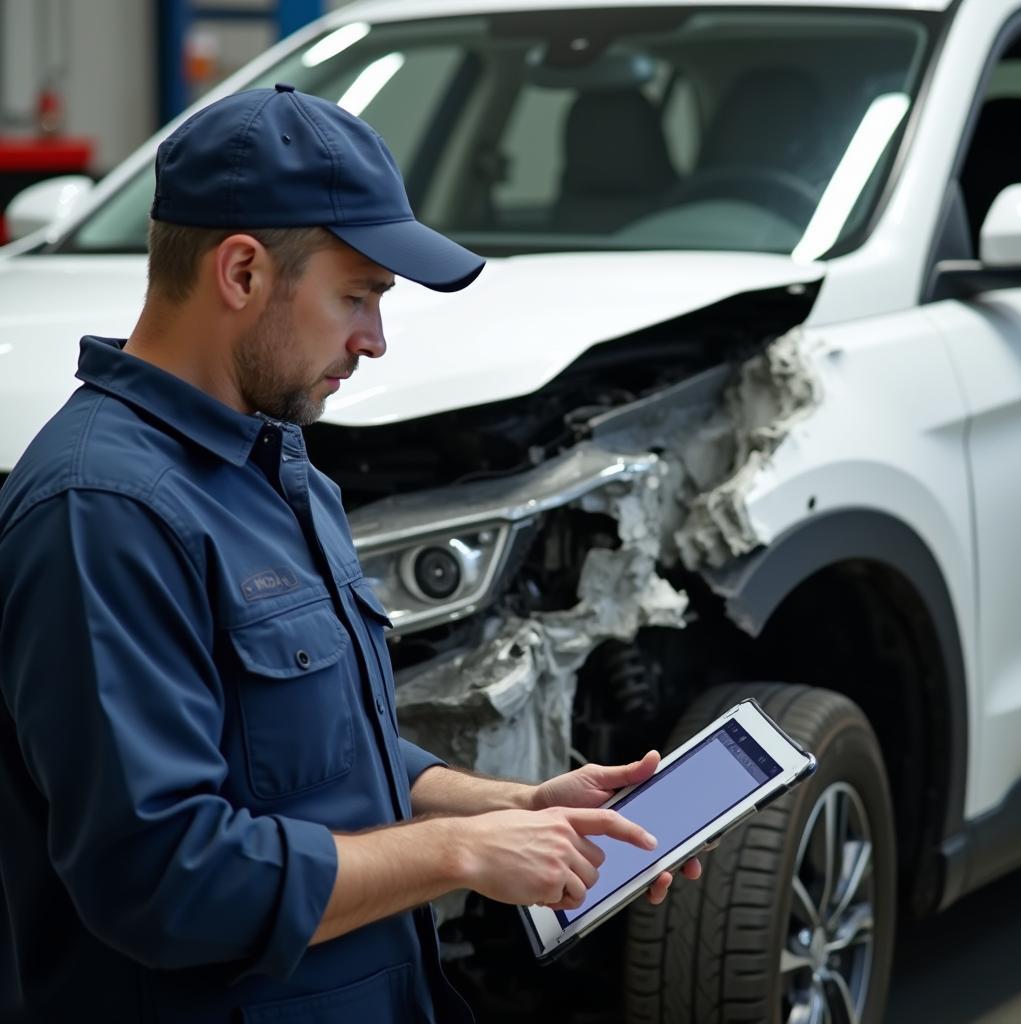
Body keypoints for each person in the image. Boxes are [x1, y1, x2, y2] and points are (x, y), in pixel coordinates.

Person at [0, 85, 700, 1023]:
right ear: (241, 272)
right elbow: (165, 878)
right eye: (358, 295)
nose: (374, 340)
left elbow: (317, 751)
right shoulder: (105, 513)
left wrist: (511, 806)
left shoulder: (275, 463)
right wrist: (458, 855)